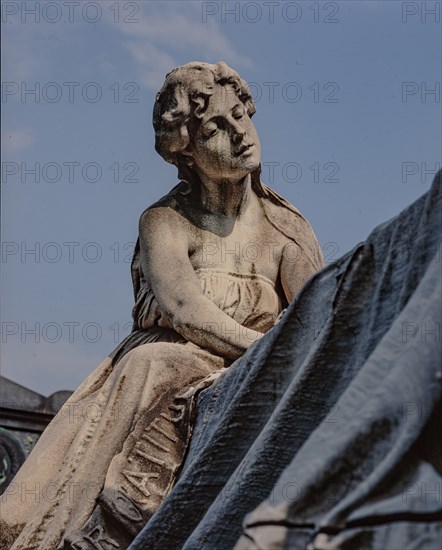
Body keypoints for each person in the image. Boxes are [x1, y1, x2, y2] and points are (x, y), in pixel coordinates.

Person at [0, 61, 323, 550]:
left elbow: (318, 324)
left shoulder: (288, 230)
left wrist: (280, 362)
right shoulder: (165, 222)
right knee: (161, 360)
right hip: (164, 367)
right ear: (186, 151)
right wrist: (266, 352)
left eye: (241, 115)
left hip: (253, 373)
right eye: (217, 126)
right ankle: (101, 527)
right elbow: (185, 311)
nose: (240, 133)